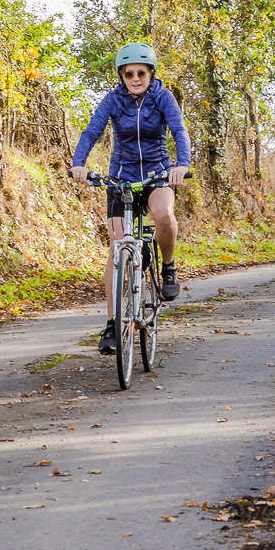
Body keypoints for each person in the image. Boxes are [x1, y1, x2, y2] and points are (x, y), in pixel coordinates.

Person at [70, 41, 191, 354]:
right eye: (128, 74)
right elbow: (91, 131)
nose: (135, 78)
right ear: (122, 76)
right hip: (120, 176)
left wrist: (181, 165)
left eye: (141, 72)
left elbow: (178, 131)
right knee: (116, 248)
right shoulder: (113, 100)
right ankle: (112, 324)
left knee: (164, 215)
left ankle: (168, 267)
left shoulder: (163, 97)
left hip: (157, 173)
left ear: (150, 73)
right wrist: (79, 163)